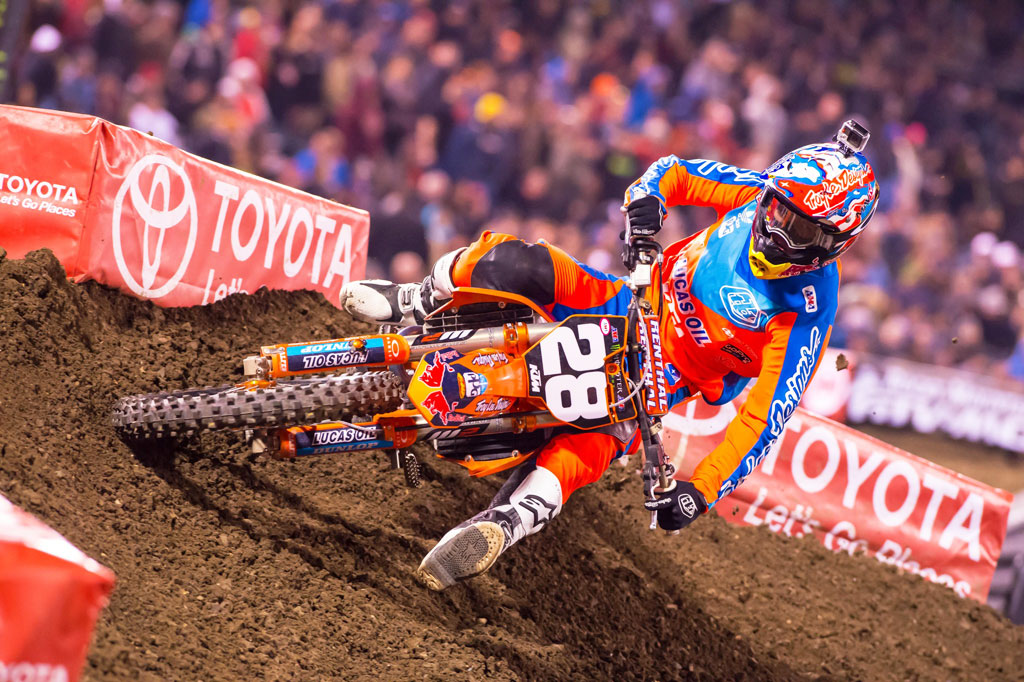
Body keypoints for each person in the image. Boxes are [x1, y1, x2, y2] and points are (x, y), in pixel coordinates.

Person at [340, 120, 880, 591]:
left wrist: (700, 491)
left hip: (664, 375)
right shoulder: (757, 192)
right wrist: (646, 209)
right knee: (521, 263)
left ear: (833, 243)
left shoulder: (808, 311)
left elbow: (764, 419)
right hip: (628, 300)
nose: (776, 226)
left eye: (798, 227)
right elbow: (673, 172)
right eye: (778, 208)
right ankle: (415, 298)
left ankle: (506, 522)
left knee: (592, 439)